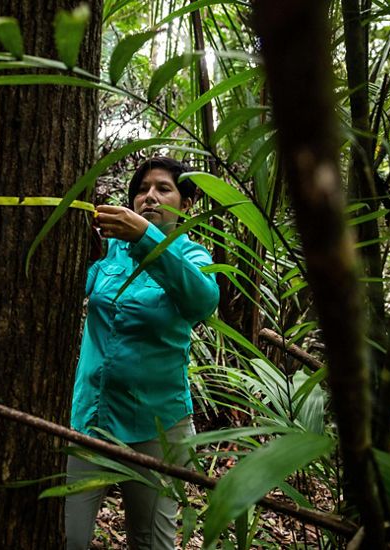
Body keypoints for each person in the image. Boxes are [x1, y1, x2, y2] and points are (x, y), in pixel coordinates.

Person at [66, 157, 220, 550]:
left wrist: (145, 238)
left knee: (151, 543)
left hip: (158, 428)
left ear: (187, 205)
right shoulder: (109, 252)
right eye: (142, 189)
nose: (149, 196)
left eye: (163, 188)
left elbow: (202, 301)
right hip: (91, 418)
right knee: (67, 536)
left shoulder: (194, 257)